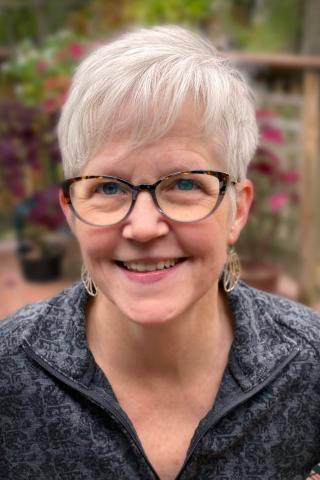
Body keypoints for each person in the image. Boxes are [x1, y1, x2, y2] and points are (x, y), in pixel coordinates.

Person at [1, 25, 320, 480]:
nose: (144, 227)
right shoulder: (8, 375)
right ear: (71, 212)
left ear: (238, 210)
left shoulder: (311, 367)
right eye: (109, 187)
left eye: (185, 183)